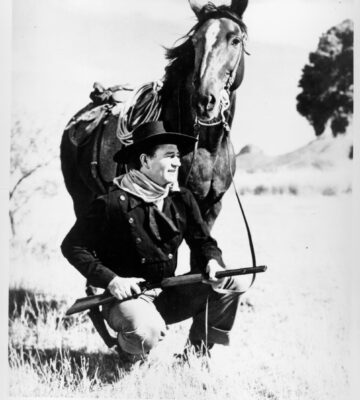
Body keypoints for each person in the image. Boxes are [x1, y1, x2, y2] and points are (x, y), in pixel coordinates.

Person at [61, 121, 248, 364]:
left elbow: (204, 242)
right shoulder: (111, 203)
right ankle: (130, 355)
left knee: (231, 282)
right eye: (170, 156)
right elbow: (72, 246)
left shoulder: (182, 200)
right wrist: (112, 280)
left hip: (169, 292)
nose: (178, 162)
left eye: (178, 156)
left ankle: (195, 355)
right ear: (146, 160)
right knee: (146, 331)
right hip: (125, 300)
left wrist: (213, 261)